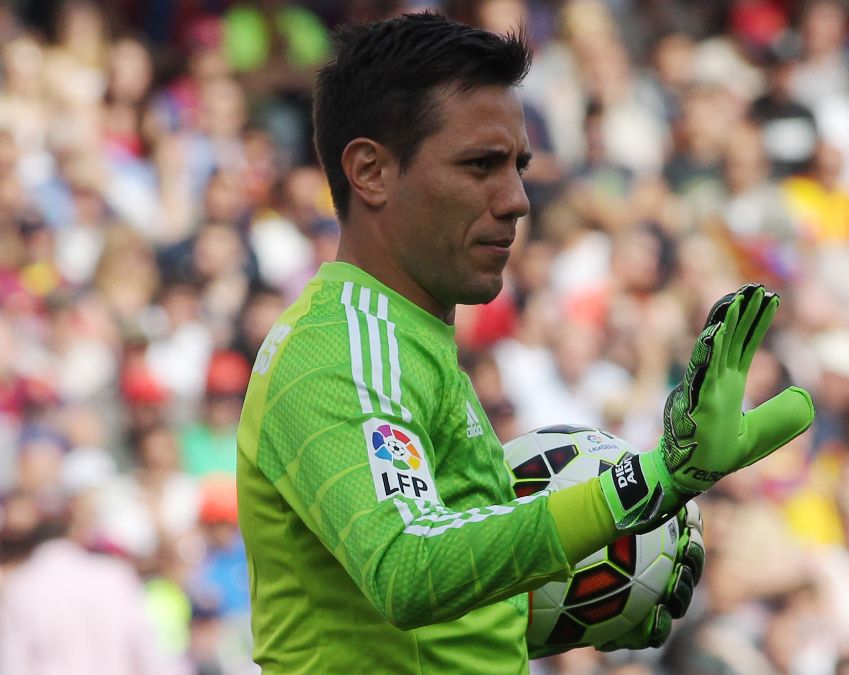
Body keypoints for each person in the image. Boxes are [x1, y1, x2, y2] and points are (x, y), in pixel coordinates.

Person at [235, 12, 815, 674]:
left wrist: (595, 590)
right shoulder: (339, 346)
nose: (515, 200)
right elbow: (406, 566)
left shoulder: (407, 342)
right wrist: (645, 485)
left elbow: (409, 620)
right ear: (370, 171)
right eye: (481, 164)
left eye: (518, 166)